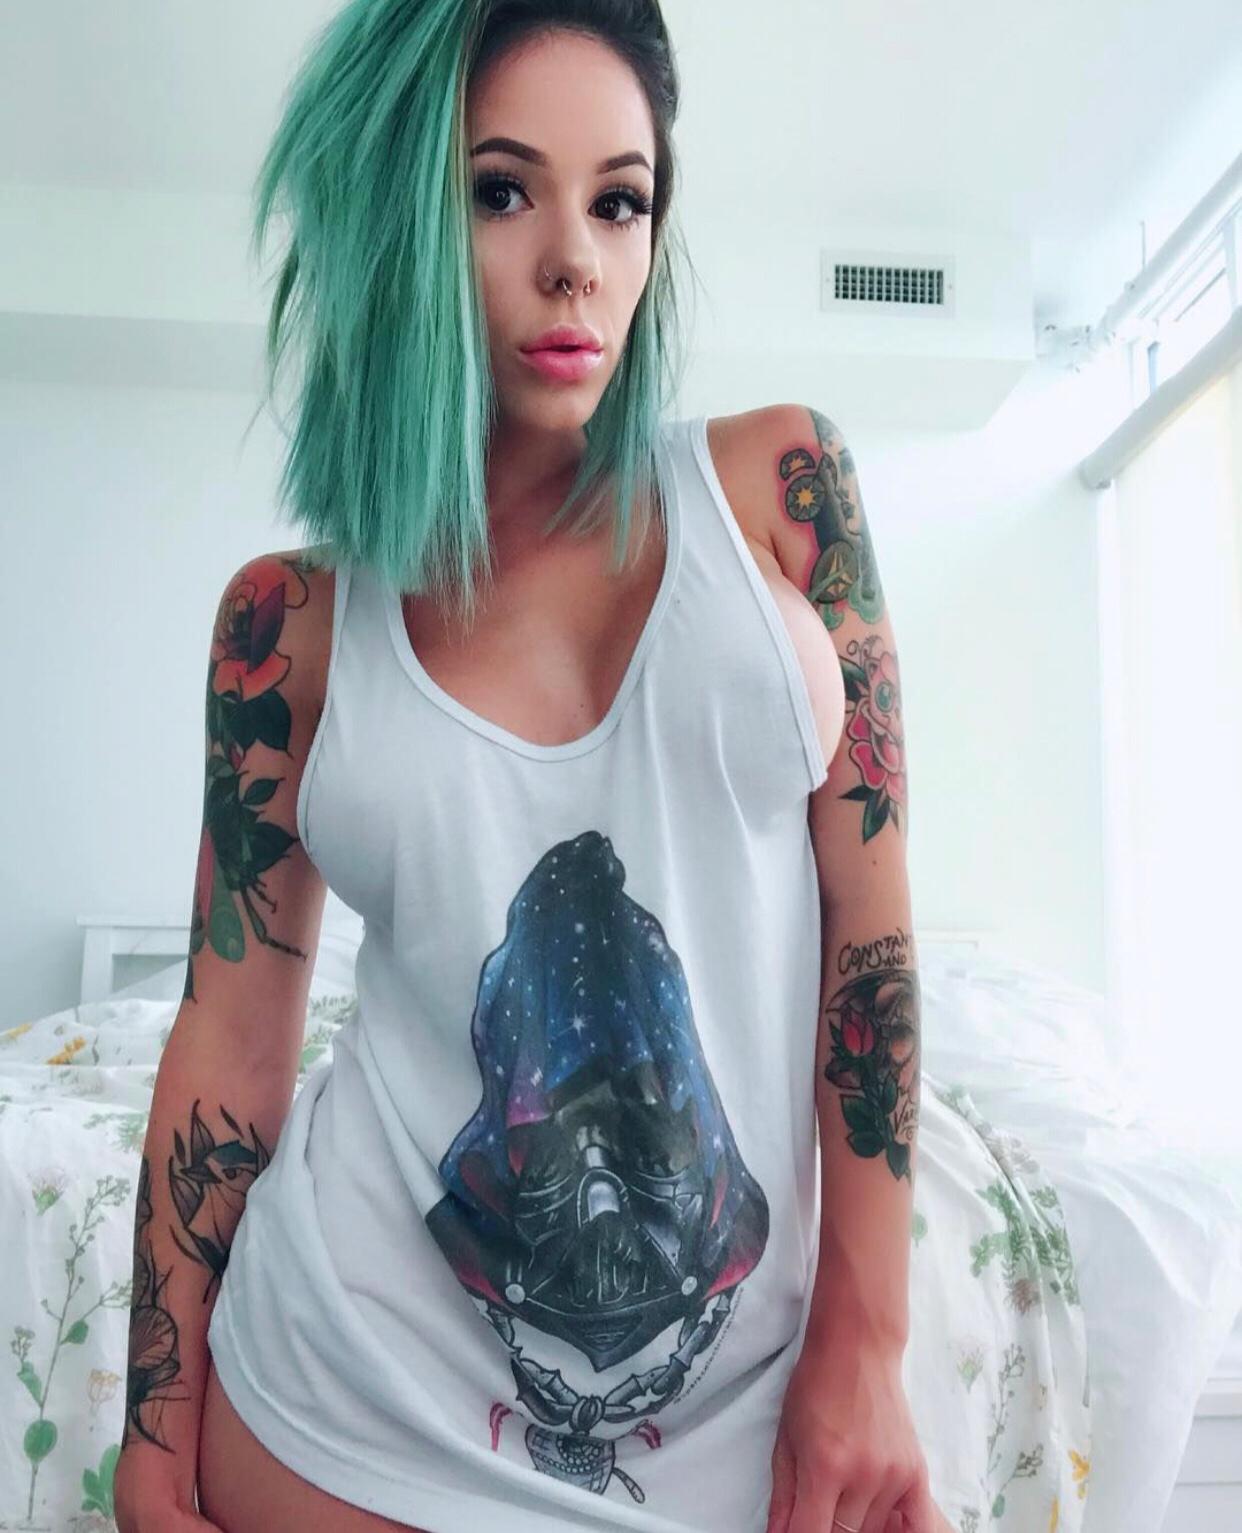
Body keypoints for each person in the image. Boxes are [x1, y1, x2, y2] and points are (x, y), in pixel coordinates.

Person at [115, 2, 954, 1530]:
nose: (573, 259)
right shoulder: (285, 626)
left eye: (617, 201)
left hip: (751, 1428)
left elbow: (869, 934)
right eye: (500, 191)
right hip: (348, 1403)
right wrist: (151, 1430)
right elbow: (229, 1043)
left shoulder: (782, 492)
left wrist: (866, 1337)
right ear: (394, 221)